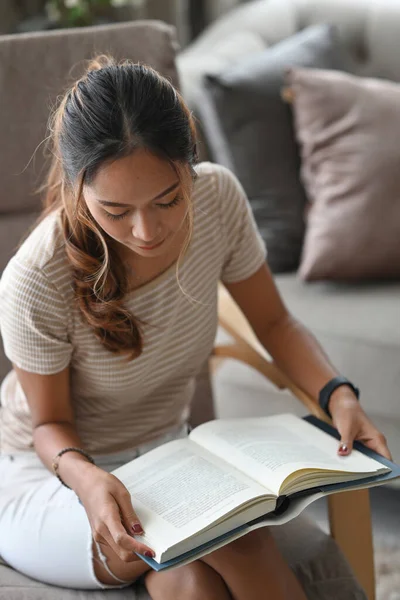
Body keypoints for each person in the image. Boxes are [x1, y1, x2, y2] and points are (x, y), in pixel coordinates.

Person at [0, 54, 391, 600]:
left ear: (189, 167)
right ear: (76, 186)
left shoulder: (218, 201)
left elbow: (275, 323)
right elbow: (49, 427)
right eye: (115, 211)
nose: (146, 230)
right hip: (56, 480)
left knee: (210, 563)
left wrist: (338, 395)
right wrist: (89, 484)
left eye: (168, 199)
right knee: (214, 559)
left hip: (168, 457)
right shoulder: (37, 278)